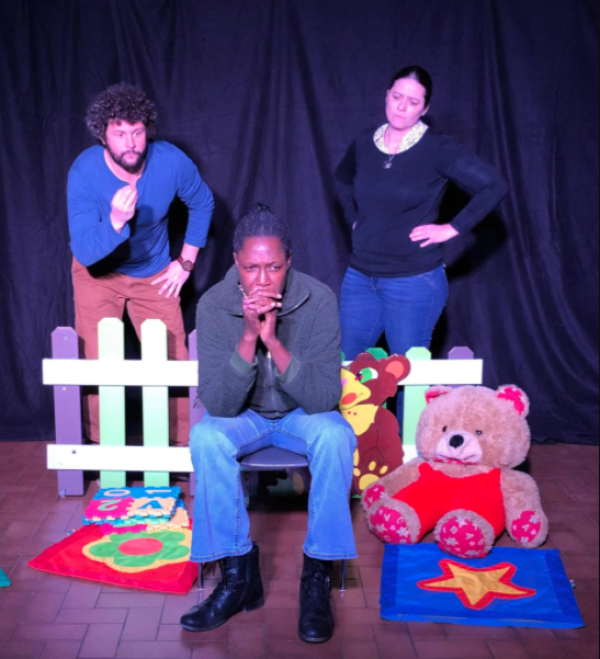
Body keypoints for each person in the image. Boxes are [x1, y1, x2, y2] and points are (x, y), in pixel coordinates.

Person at [181, 204, 357, 644]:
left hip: (301, 415)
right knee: (206, 437)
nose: (262, 280)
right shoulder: (214, 304)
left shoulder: (318, 299)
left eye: (274, 267)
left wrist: (272, 341)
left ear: (289, 262)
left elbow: (323, 399)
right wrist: (247, 336)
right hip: (246, 415)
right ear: (236, 263)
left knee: (336, 435)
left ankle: (317, 576)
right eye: (251, 268)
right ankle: (238, 576)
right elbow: (221, 405)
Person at [336, 66, 508, 417]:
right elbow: (342, 180)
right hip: (360, 279)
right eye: (396, 97)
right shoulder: (365, 143)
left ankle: (407, 450)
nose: (401, 107)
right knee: (352, 374)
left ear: (425, 108)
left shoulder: (438, 149)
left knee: (407, 377)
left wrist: (452, 228)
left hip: (413, 281)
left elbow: (494, 186)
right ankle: (359, 449)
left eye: (412, 102)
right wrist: (354, 219)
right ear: (386, 95)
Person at [67, 83, 214, 446]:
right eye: (120, 134)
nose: (130, 143)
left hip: (153, 273)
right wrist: (116, 221)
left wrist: (186, 261)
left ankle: (182, 448)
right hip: (98, 274)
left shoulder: (170, 161)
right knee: (99, 363)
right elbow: (85, 251)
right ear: (103, 136)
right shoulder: (84, 171)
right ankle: (104, 449)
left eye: (137, 132)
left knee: (173, 361)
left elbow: (203, 202)